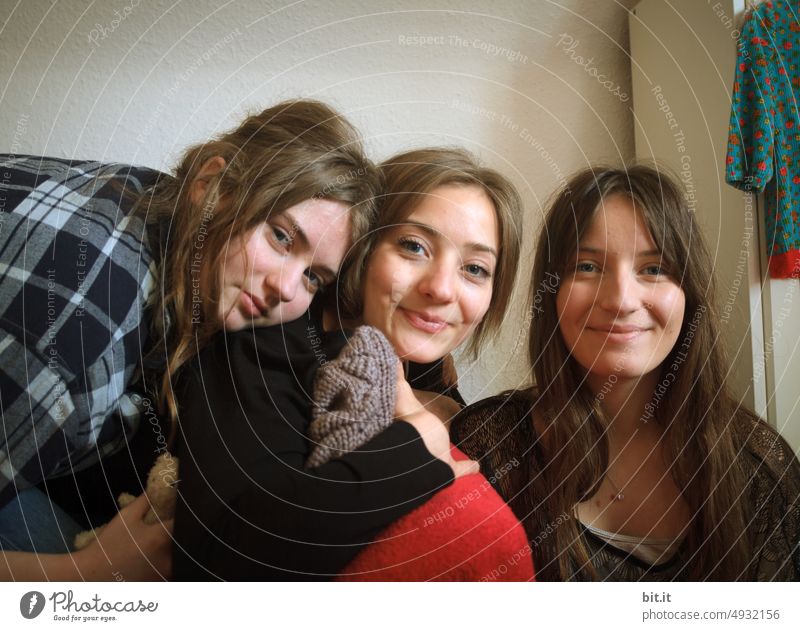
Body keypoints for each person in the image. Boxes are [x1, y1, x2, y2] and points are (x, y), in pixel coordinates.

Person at [0, 99, 380, 579]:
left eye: (313, 277)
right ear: (211, 185)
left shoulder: (154, 201)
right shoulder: (78, 343)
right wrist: (88, 571)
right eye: (282, 237)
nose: (286, 287)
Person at [172, 147, 531, 580]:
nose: (441, 288)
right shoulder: (266, 345)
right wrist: (417, 443)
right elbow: (234, 556)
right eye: (413, 246)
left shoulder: (426, 373)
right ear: (360, 249)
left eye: (474, 269)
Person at [451, 165, 800, 581]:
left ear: (688, 293)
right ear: (551, 292)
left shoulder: (759, 467)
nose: (620, 300)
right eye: (586, 267)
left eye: (653, 269)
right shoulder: (488, 447)